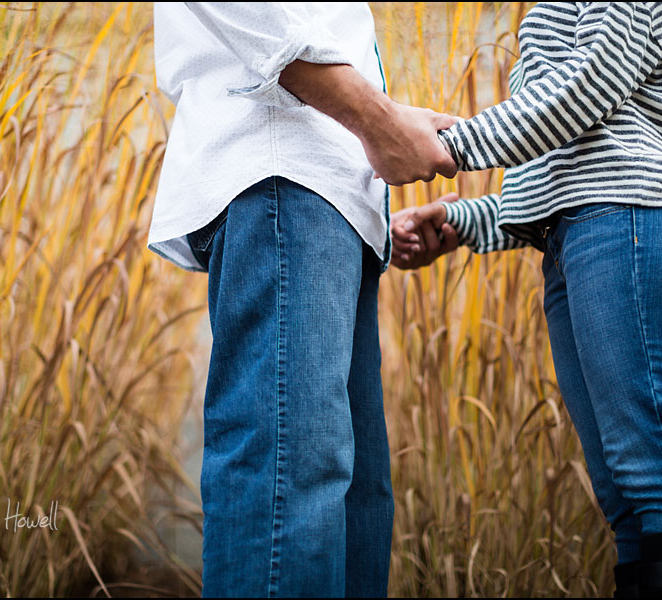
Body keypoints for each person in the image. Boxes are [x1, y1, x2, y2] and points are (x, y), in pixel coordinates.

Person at [393, 2, 662, 597]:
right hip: (584, 232)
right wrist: (462, 221)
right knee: (623, 491)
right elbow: (569, 172)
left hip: (630, 218)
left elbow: (590, 81)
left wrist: (452, 145)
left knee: (652, 467)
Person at [149, 3, 456, 596]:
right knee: (288, 488)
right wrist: (377, 120)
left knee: (355, 509)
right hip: (286, 176)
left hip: (332, 206)